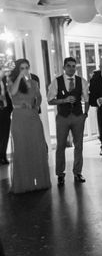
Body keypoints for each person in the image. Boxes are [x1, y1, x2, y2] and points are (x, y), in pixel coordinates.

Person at [7, 59, 50, 193]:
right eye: (22, 68)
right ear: (17, 70)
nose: (25, 69)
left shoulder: (34, 83)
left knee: (36, 148)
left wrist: (35, 106)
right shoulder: (11, 82)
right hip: (19, 118)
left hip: (33, 118)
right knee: (22, 149)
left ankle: (38, 182)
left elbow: (39, 97)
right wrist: (20, 76)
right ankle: (23, 184)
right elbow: (13, 93)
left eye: (27, 67)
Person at [47, 56, 90, 186]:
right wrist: (64, 100)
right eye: (69, 66)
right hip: (62, 117)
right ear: (64, 67)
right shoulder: (57, 81)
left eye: (73, 66)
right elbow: (50, 100)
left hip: (78, 117)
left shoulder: (81, 81)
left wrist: (85, 114)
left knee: (79, 146)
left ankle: (77, 172)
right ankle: (60, 174)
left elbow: (87, 99)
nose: (71, 68)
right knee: (60, 146)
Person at [0, 71, 12, 165]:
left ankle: (3, 156)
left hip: (6, 110)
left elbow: (9, 94)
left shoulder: (6, 79)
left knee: (5, 135)